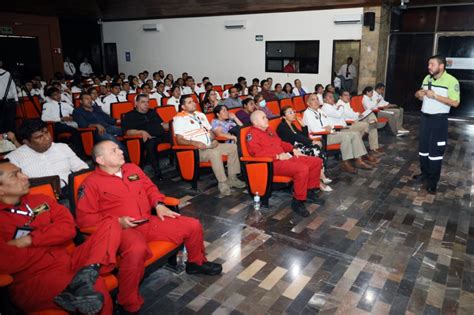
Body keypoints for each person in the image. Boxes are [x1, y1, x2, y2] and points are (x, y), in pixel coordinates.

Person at [75, 141, 222, 313]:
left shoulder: (132, 169)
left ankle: (195, 263)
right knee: (136, 250)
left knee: (192, 225)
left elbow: (150, 188)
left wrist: (158, 203)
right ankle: (127, 302)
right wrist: (118, 221)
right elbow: (85, 220)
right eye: (114, 150)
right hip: (122, 230)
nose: (121, 151)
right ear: (100, 159)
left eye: (119, 148)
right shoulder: (90, 183)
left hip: (147, 220)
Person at [0, 160, 122, 314]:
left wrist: (30, 240)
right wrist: (53, 237)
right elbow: (7, 261)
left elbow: (69, 228)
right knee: (93, 286)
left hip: (68, 259)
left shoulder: (41, 200)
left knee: (111, 222)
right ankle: (87, 277)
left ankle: (89, 270)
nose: (25, 176)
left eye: (21, 171)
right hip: (34, 279)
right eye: (14, 176)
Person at [246, 111, 324, 216]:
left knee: (316, 162)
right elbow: (256, 154)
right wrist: (277, 156)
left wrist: (293, 148)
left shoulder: (269, 130)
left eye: (266, 117)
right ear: (255, 122)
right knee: (302, 169)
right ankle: (298, 202)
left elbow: (280, 143)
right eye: (263, 118)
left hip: (284, 158)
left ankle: (309, 192)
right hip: (270, 163)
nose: (267, 119)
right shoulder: (252, 134)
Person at [174, 95, 245, 195]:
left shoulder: (201, 115)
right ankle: (223, 182)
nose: (193, 103)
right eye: (189, 102)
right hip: (196, 150)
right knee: (214, 153)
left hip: (210, 145)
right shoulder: (179, 119)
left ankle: (232, 178)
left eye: (193, 101)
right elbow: (179, 140)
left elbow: (210, 131)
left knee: (233, 148)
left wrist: (214, 139)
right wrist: (194, 143)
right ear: (183, 107)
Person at [414, 55, 460, 193]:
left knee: (435, 153)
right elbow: (419, 95)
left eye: (432, 64)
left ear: (441, 66)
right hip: (425, 118)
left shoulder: (451, 81)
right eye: (429, 64)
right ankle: (425, 174)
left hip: (439, 121)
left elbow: (455, 102)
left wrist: (435, 96)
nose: (429, 67)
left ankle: (433, 182)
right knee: (423, 150)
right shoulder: (427, 78)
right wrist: (419, 94)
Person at [6, 119, 88, 195]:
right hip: (39, 196)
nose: (47, 138)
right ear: (26, 142)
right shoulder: (13, 159)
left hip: (71, 190)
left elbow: (82, 168)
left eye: (47, 132)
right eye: (39, 137)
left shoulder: (62, 147)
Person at [303, 94, 372, 173]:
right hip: (320, 138)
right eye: (313, 99)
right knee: (346, 137)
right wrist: (326, 128)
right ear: (308, 103)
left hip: (329, 134)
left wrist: (328, 128)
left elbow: (330, 125)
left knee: (355, 134)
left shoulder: (320, 111)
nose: (316, 101)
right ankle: (346, 163)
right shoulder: (307, 113)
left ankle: (359, 160)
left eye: (317, 99)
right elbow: (315, 129)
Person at [277, 106, 333, 192]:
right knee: (316, 150)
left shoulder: (292, 125)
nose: (293, 114)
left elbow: (302, 136)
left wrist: (303, 125)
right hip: (292, 150)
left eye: (293, 111)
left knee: (319, 151)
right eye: (290, 113)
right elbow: (295, 137)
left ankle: (320, 175)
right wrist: (312, 142)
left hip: (299, 146)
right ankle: (319, 179)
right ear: (284, 117)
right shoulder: (282, 127)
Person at [322, 91, 381, 159]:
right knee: (365, 127)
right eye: (330, 97)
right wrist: (342, 108)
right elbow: (341, 115)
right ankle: (361, 152)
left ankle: (363, 151)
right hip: (343, 127)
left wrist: (357, 114)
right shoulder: (335, 105)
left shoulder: (335, 105)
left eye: (348, 95)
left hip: (350, 123)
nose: (332, 98)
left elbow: (350, 113)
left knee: (370, 123)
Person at [122, 94, 167, 180]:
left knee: (176, 138)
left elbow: (162, 125)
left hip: (161, 135)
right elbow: (127, 132)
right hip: (147, 139)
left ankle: (182, 167)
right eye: (143, 102)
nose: (146, 104)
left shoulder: (152, 112)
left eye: (147, 102)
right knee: (151, 144)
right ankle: (158, 173)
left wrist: (173, 125)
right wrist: (140, 131)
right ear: (136, 103)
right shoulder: (129, 115)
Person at [41, 87, 86, 158]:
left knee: (84, 126)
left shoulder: (65, 104)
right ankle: (81, 155)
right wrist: (60, 119)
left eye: (59, 94)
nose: (58, 96)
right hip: (56, 124)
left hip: (69, 123)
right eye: (55, 95)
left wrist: (73, 117)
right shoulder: (47, 105)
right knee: (74, 130)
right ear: (50, 97)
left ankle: (87, 150)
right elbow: (44, 118)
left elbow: (75, 113)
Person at [336, 90, 383, 155]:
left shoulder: (346, 103)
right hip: (349, 124)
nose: (348, 97)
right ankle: (362, 147)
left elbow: (352, 113)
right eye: (345, 95)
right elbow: (348, 114)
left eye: (348, 95)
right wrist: (358, 114)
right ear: (340, 97)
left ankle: (374, 147)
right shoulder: (340, 104)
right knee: (369, 126)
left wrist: (358, 114)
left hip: (355, 120)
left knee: (371, 118)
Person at [0, 61, 19, 134]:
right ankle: (12, 139)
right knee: (10, 121)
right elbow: (13, 87)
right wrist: (16, 100)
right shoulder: (7, 73)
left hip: (3, 102)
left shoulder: (7, 73)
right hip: (9, 101)